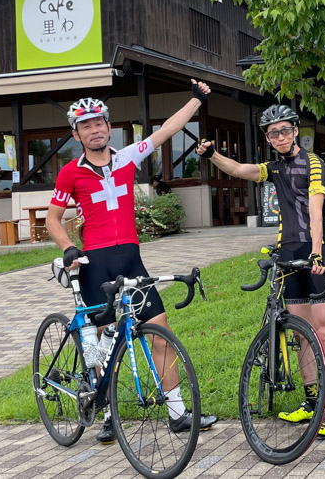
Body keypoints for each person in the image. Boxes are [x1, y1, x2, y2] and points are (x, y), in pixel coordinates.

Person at [46, 83, 218, 445]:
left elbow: (167, 130)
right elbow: (53, 220)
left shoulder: (126, 157)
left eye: (100, 123)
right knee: (103, 342)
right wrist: (68, 247)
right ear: (76, 134)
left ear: (109, 127)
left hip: (130, 257)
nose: (95, 130)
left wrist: (197, 100)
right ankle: (108, 412)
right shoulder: (70, 173)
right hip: (95, 263)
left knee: (161, 328)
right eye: (86, 126)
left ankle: (177, 413)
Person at [195, 104, 325, 438]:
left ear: (295, 130)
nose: (278, 137)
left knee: (324, 330)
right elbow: (239, 169)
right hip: (287, 251)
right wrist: (212, 155)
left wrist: (317, 251)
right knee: (301, 330)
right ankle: (311, 402)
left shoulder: (313, 162)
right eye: (272, 133)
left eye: (284, 130)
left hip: (316, 249)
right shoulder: (273, 167)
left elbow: (316, 211)